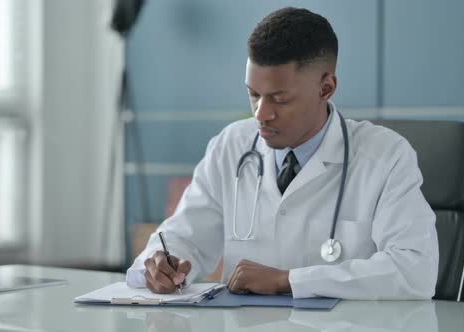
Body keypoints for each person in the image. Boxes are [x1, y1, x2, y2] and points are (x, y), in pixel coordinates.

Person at [127, 7, 439, 300]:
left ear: (326, 87)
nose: (261, 114)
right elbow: (185, 238)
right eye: (253, 95)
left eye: (279, 99)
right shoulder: (231, 146)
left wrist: (288, 280)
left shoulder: (386, 155)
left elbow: (416, 271)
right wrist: (159, 265)